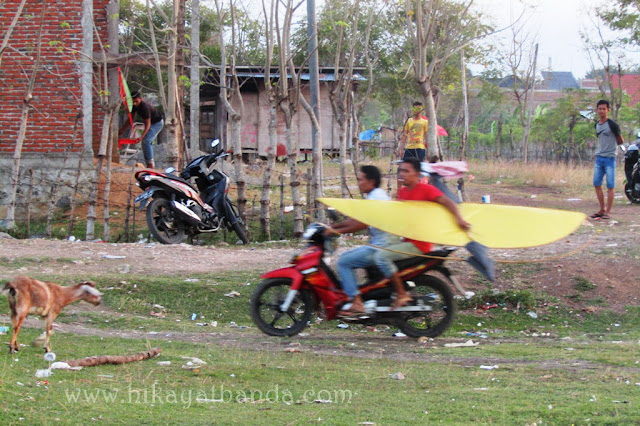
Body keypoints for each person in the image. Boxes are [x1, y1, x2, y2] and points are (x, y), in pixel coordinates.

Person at [373, 157, 470, 309]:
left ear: (417, 174)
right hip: (406, 241)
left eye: (406, 171)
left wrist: (459, 219)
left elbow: (448, 202)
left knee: (381, 257)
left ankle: (401, 294)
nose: (402, 174)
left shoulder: (426, 190)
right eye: (401, 171)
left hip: (419, 244)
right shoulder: (403, 192)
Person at [324, 165, 392, 316]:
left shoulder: (375, 198)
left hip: (382, 247)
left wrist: (335, 231)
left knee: (343, 262)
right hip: (382, 244)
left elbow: (361, 224)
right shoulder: (375, 195)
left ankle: (357, 303)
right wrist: (332, 227)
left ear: (371, 181)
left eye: (361, 180)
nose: (359, 183)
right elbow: (355, 220)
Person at [590, 99, 624, 219]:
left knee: (610, 185)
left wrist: (612, 147)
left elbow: (620, 140)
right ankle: (601, 209)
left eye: (604, 109)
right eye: (600, 108)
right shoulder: (597, 125)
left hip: (610, 158)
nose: (602, 111)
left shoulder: (612, 125)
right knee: (596, 183)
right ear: (597, 110)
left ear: (608, 110)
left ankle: (608, 211)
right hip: (600, 157)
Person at [118, 90, 164, 169]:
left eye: (136, 101)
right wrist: (123, 129)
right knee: (145, 141)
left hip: (156, 123)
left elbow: (148, 124)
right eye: (133, 102)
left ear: (141, 99)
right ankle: (148, 162)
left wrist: (142, 136)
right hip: (150, 123)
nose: (135, 103)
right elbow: (130, 119)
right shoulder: (134, 106)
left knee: (146, 141)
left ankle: (150, 164)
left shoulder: (145, 107)